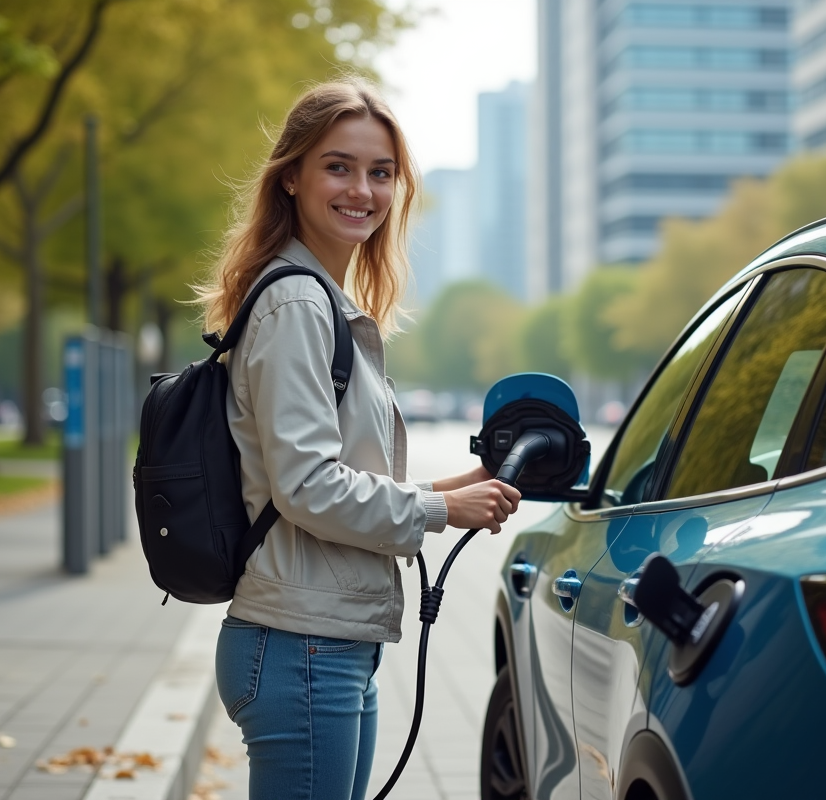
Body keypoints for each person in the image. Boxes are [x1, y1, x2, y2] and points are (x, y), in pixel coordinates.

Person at [195, 79, 523, 800]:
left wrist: (444, 490)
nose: (362, 190)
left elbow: (325, 475)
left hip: (329, 642)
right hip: (301, 646)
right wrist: (441, 514)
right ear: (292, 177)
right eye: (338, 166)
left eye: (381, 173)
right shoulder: (295, 304)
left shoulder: (322, 300)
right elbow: (308, 488)